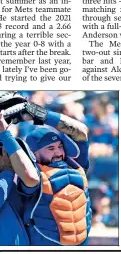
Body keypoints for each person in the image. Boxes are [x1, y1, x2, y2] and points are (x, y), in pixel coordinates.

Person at [22, 105, 92, 246]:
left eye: (60, 146)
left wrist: (41, 114)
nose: (59, 153)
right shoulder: (30, 174)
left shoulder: (75, 164)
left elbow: (81, 132)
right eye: (50, 148)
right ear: (34, 153)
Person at [0, 110, 40, 246]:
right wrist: (8, 171)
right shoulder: (8, 174)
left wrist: (6, 135)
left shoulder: (17, 172)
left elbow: (32, 178)